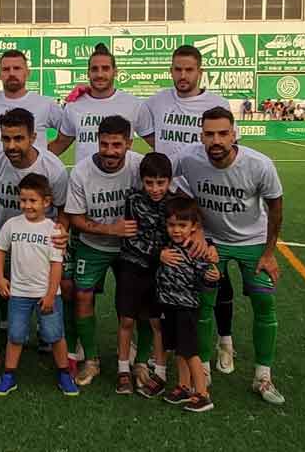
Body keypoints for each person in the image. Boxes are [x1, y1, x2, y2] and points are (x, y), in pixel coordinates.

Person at [172, 106, 285, 405]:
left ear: (235, 134)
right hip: (213, 243)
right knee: (203, 304)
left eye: (223, 133)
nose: (216, 140)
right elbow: (168, 184)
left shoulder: (259, 165)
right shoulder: (187, 158)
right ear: (201, 136)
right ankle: (204, 368)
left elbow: (275, 206)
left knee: (264, 303)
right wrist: (195, 229)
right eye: (209, 134)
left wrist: (270, 252)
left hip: (254, 242)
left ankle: (263, 375)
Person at [138, 44, 234, 374]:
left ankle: (224, 340)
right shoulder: (157, 100)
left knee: (210, 271)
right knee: (166, 273)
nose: (182, 75)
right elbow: (142, 128)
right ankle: (167, 347)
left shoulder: (216, 103)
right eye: (177, 69)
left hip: (203, 201)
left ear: (200, 72)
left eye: (189, 70)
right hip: (167, 199)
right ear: (171, 71)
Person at [0, 107, 69, 377]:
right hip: (3, 233)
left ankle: (60, 345)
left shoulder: (53, 168)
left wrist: (61, 233)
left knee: (62, 287)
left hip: (40, 239)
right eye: (6, 139)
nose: (11, 145)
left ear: (33, 137)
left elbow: (62, 208)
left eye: (18, 139)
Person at [64, 115, 144, 386]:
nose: (110, 151)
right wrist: (112, 230)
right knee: (83, 296)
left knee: (137, 301)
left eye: (117, 145)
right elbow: (75, 218)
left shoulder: (140, 166)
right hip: (93, 244)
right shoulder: (82, 171)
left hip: (131, 247)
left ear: (129, 144)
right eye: (105, 144)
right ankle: (92, 360)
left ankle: (138, 358)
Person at [0, 174, 78, 397]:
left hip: (46, 295)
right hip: (18, 294)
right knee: (16, 335)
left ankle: (64, 373)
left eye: (32, 201)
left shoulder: (54, 230)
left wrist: (51, 294)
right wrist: (0, 278)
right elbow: (0, 251)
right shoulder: (12, 225)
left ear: (46, 202)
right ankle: (9, 375)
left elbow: (56, 265)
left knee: (55, 334)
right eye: (23, 200)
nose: (27, 205)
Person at [115, 152, 172, 397]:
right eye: (150, 182)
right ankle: (122, 369)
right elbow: (130, 237)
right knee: (127, 320)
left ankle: (160, 372)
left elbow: (182, 232)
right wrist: (157, 253)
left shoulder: (175, 202)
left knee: (157, 322)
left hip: (160, 273)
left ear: (169, 181)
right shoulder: (133, 199)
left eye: (161, 183)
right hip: (132, 267)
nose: (155, 189)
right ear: (142, 180)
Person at [157, 197, 220, 413]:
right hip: (168, 305)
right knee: (178, 349)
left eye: (182, 225)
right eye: (172, 225)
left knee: (190, 351)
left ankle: (202, 394)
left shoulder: (197, 250)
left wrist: (212, 277)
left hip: (186, 308)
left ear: (194, 227)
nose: (176, 230)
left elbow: (207, 277)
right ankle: (183, 387)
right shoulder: (166, 246)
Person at [49, 43, 150, 163]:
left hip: (123, 180)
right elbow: (60, 144)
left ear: (115, 72)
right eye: (94, 69)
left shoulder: (134, 104)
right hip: (86, 179)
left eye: (105, 68)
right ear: (88, 73)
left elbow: (157, 142)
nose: (100, 74)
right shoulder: (74, 106)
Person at [0, 49, 65, 153]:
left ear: (27, 73)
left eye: (17, 68)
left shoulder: (45, 103)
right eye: (6, 69)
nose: (11, 73)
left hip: (33, 169)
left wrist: (44, 156)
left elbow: (68, 133)